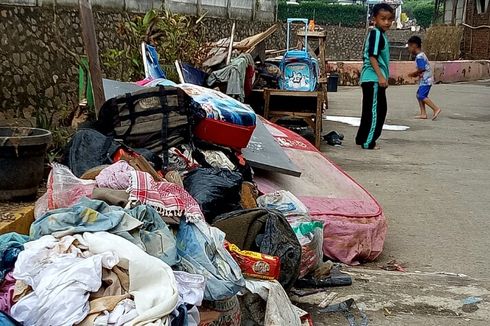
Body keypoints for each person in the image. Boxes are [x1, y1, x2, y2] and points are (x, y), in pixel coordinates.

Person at [355, 3, 394, 150]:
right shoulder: (376, 33)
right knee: (377, 112)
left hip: (371, 79)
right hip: (374, 79)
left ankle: (361, 138)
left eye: (389, 19)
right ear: (374, 19)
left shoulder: (378, 34)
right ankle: (368, 142)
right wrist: (381, 77)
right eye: (383, 19)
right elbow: (372, 56)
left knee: (370, 110)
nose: (387, 22)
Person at [407, 36, 442, 120]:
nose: (409, 49)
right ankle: (423, 113)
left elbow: (421, 68)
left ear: (414, 46)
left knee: (421, 95)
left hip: (426, 80)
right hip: (425, 79)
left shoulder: (419, 57)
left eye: (409, 46)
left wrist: (413, 74)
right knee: (418, 95)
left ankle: (436, 108)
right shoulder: (421, 55)